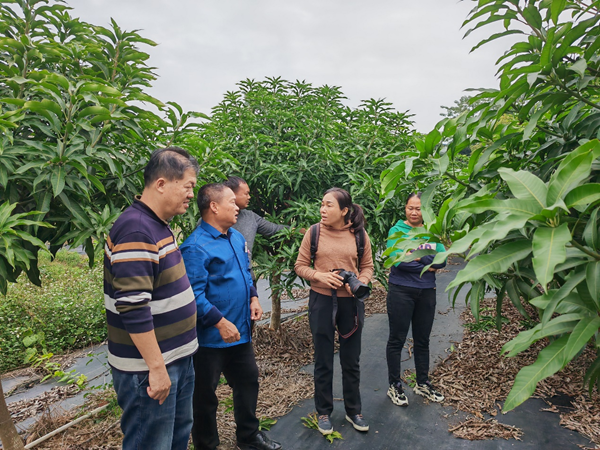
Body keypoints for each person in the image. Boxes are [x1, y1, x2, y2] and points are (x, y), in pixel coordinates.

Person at [104, 147, 199, 450]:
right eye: (188, 186)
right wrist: (156, 369)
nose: (191, 195)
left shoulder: (156, 224)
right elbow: (132, 306)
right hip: (150, 368)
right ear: (161, 184)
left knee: (175, 439)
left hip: (175, 359)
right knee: (151, 443)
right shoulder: (137, 229)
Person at [180, 183, 282, 450]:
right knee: (204, 397)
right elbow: (193, 294)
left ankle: (249, 436)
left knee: (248, 382)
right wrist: (219, 321)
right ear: (213, 206)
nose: (237, 206)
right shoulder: (195, 247)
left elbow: (245, 272)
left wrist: (253, 296)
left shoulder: (235, 237)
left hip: (240, 332)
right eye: (231, 202)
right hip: (210, 339)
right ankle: (207, 444)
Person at [294, 187, 374, 436]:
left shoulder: (359, 235)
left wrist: (360, 282)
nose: (322, 210)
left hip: (351, 304)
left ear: (344, 210)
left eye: (329, 205)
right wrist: (318, 275)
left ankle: (354, 411)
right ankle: (324, 412)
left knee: (351, 360)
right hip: (321, 302)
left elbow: (368, 267)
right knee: (323, 359)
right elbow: (300, 266)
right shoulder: (314, 232)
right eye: (322, 204)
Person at [385, 192, 447, 408]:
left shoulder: (431, 231)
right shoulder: (396, 230)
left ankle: (423, 382)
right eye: (410, 208)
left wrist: (414, 254)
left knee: (423, 340)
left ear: (425, 210)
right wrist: (425, 258)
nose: (414, 212)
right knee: (397, 339)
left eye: (418, 208)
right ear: (405, 208)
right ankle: (395, 385)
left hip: (426, 292)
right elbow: (397, 261)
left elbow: (442, 261)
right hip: (401, 291)